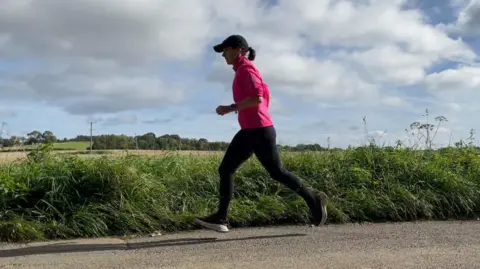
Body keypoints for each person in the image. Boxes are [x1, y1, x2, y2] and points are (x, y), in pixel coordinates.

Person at [195, 34, 328, 233]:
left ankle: (222, 217)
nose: (223, 55)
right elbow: (266, 96)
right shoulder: (244, 70)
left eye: (225, 49)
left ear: (238, 50)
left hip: (257, 130)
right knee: (268, 172)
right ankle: (221, 217)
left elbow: (257, 98)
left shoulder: (246, 70)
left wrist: (230, 108)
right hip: (255, 129)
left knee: (249, 170)